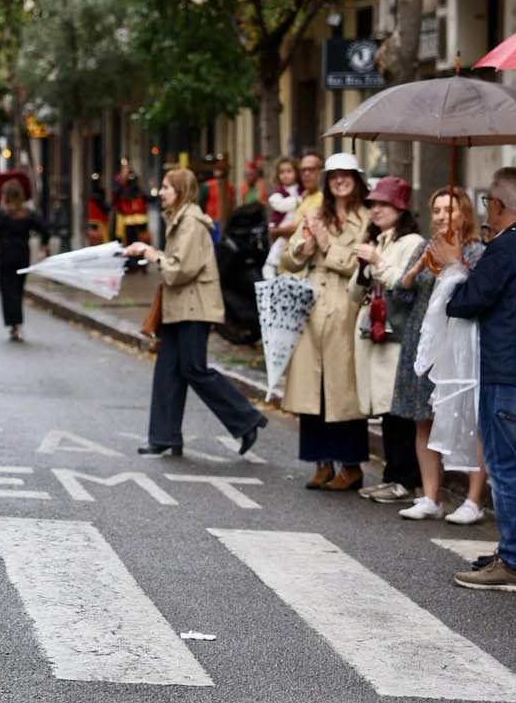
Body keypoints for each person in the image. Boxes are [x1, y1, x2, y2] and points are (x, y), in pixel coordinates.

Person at [431, 167, 516, 591]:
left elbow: (466, 303)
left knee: (506, 469)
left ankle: (515, 560)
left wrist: (453, 267)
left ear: (499, 205)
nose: (486, 208)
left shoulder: (505, 247)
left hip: (502, 370)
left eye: (487, 200)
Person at [127, 167, 267, 457]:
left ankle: (246, 418)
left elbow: (180, 270)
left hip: (195, 308)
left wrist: (152, 255)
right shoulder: (179, 220)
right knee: (168, 370)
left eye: (166, 187)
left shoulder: (190, 222)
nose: (161, 192)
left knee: (193, 369)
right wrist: (149, 250)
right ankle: (164, 436)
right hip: (180, 307)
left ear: (181, 191)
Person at [390, 189, 490, 524]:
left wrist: (455, 260)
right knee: (424, 418)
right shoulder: (423, 247)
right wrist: (418, 266)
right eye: (436, 210)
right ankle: (431, 496)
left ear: (464, 213)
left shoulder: (478, 250)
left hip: (458, 346)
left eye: (450, 209)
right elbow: (400, 292)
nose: (442, 216)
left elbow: (477, 293)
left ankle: (474, 500)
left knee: (470, 420)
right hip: (423, 342)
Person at [281, 151, 371, 491]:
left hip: (346, 307)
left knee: (343, 389)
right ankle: (320, 462)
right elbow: (290, 260)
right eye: (334, 176)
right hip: (313, 309)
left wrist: (326, 244)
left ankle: (351, 465)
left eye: (346, 175)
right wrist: (305, 244)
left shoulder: (366, 218)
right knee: (312, 389)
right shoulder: (314, 213)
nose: (340, 181)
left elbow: (361, 266)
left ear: (357, 179)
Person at [349, 176, 425, 505]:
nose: (375, 209)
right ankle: (392, 476)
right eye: (372, 204)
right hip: (371, 329)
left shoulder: (412, 242)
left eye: (383, 203)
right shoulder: (377, 240)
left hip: (395, 334)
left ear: (400, 207)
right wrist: (363, 268)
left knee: (398, 407)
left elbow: (403, 284)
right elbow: (354, 294)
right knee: (383, 407)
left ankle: (403, 478)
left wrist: (378, 264)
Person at [0, 179, 49, 341]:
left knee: (8, 291)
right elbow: (45, 229)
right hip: (22, 255)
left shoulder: (2, 214)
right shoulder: (28, 214)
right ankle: (18, 325)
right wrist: (44, 247)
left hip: (5, 256)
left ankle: (15, 325)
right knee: (18, 291)